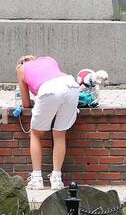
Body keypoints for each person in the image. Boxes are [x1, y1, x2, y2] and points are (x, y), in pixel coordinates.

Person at [16, 54, 81, 190]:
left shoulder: (21, 69)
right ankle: (57, 179)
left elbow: (26, 103)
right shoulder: (49, 59)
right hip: (71, 86)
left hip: (48, 91)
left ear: (21, 63)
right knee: (59, 134)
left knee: (35, 133)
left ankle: (37, 178)